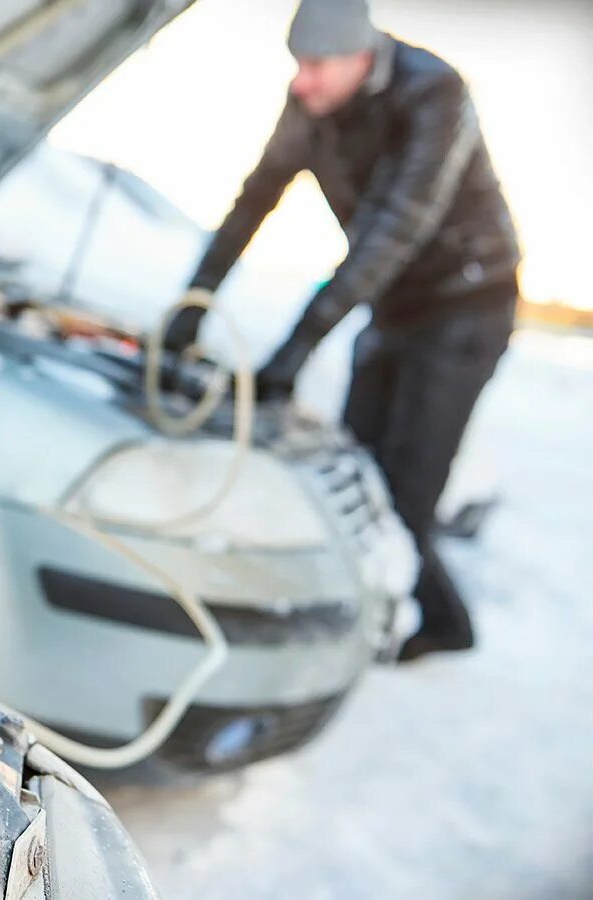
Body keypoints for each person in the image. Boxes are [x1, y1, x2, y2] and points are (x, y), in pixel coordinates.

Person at [164, 0, 520, 661]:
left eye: (319, 66)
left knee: (406, 488)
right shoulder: (311, 103)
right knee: (353, 468)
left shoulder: (433, 93)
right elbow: (254, 200)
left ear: (363, 56)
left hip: (465, 305)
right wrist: (192, 302)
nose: (303, 82)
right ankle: (369, 609)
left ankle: (437, 623)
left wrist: (297, 347)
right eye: (299, 65)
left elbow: (393, 228)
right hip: (391, 303)